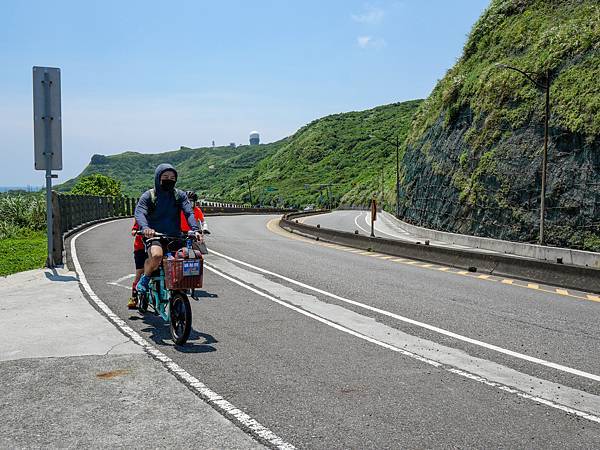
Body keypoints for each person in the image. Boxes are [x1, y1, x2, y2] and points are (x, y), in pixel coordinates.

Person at [134, 164, 202, 294]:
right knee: (157, 256)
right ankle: (146, 278)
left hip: (175, 236)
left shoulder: (179, 195)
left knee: (188, 258)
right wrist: (146, 228)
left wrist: (195, 229)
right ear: (158, 178)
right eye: (165, 176)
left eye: (172, 177)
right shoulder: (149, 196)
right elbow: (140, 213)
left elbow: (189, 212)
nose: (169, 180)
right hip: (154, 236)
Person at [127, 220, 146, 309]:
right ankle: (134, 297)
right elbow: (136, 225)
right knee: (140, 271)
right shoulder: (142, 212)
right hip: (141, 247)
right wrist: (135, 230)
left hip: (157, 245)